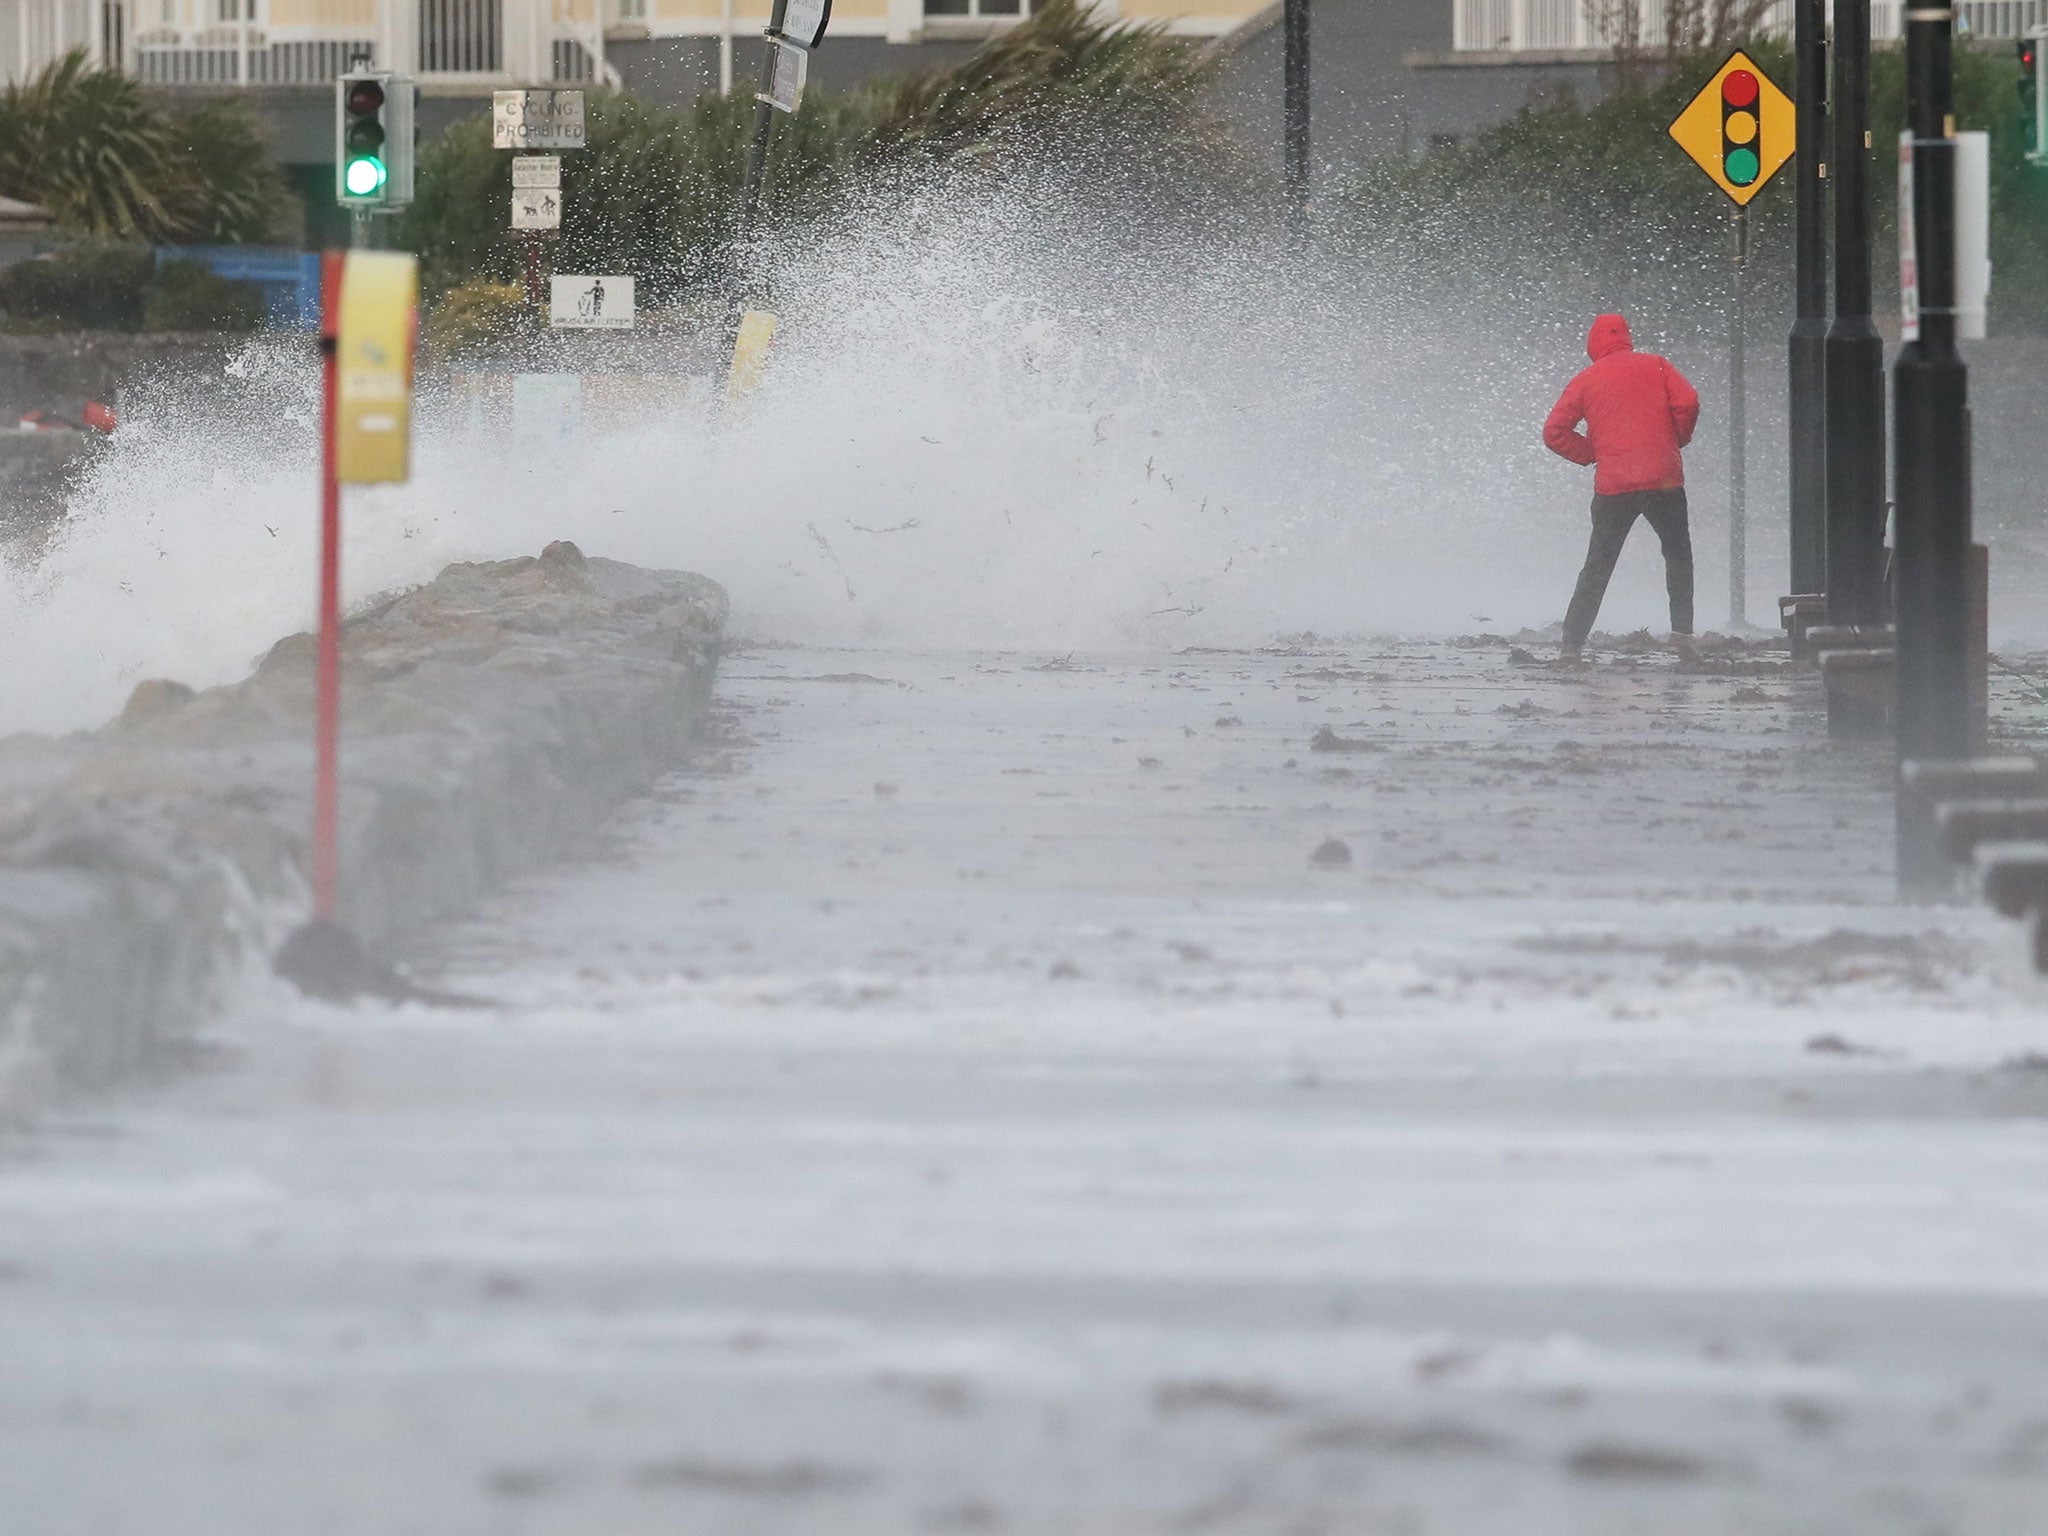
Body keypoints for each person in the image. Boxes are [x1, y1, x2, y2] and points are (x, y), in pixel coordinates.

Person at [1542, 313, 1701, 664]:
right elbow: (1688, 402)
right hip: (1664, 479)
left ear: (1593, 345)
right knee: (1677, 554)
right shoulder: (1657, 366)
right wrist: (1677, 438)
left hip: (1614, 485)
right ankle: (1683, 635)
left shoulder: (1586, 380)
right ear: (1627, 337)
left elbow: (1554, 432)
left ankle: (1571, 644)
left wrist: (1592, 454)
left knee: (1598, 564)